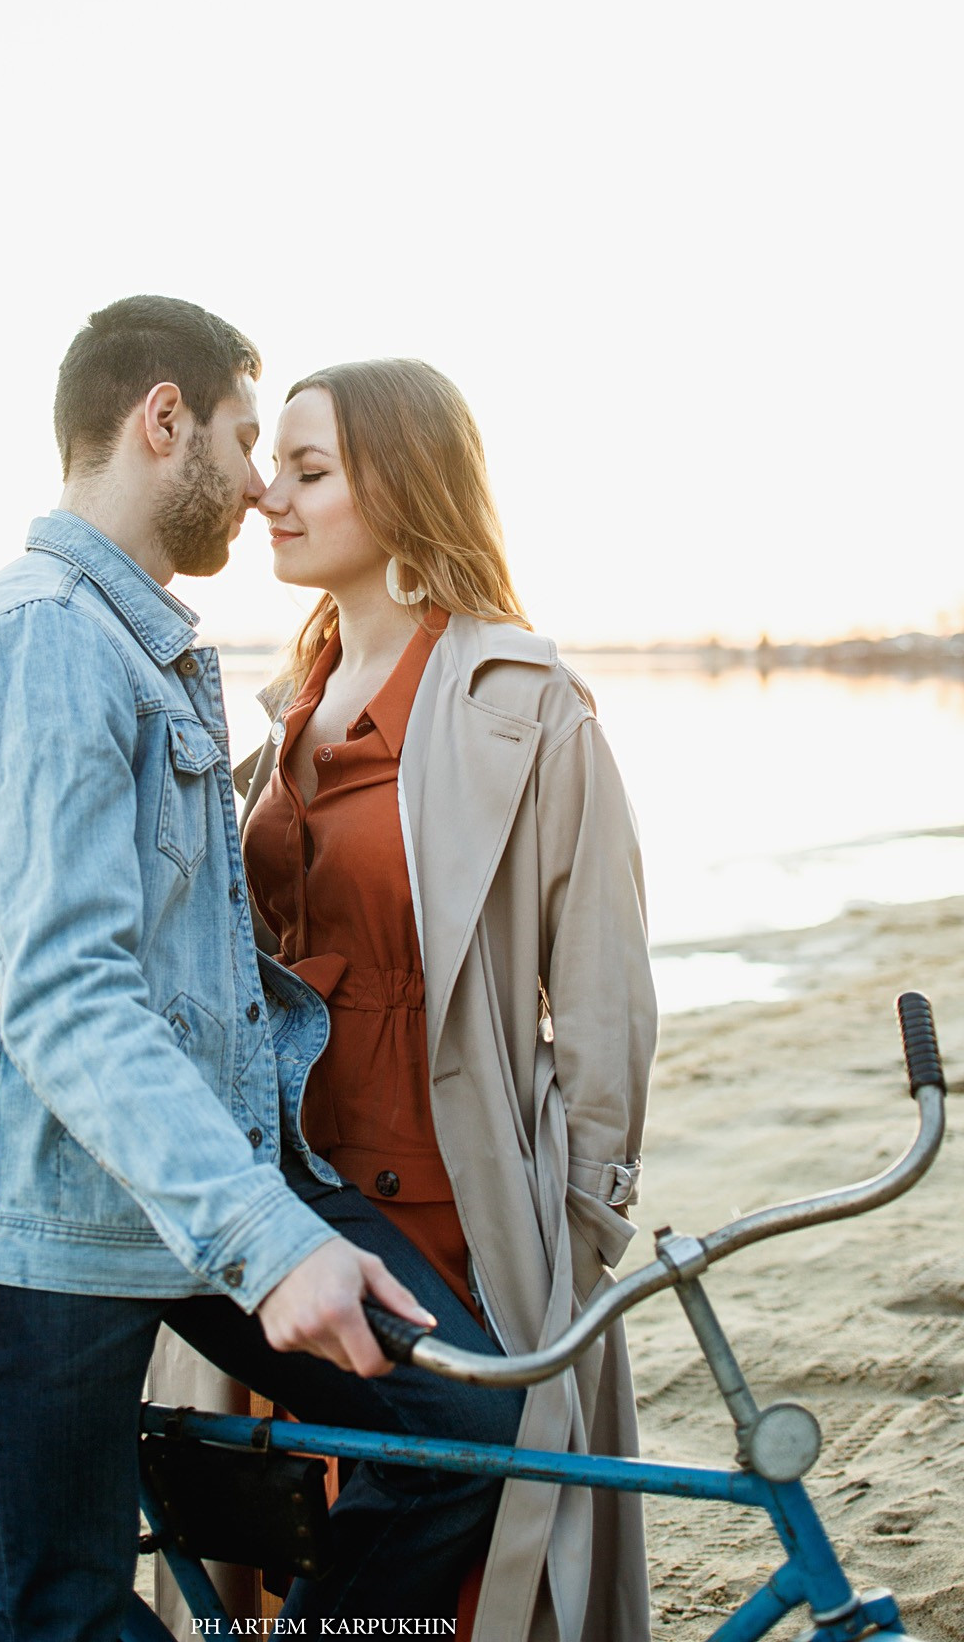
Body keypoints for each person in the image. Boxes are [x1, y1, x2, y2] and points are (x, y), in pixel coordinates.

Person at [0, 297, 523, 1641]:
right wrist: (274, 1245)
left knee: (458, 1417)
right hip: (29, 1235)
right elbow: (68, 998)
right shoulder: (40, 639)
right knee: (66, 1612)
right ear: (164, 422)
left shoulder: (142, 646)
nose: (264, 483)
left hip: (172, 1193)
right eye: (241, 435)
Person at [210, 358, 658, 1640]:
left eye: (308, 472)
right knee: (297, 1548)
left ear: (402, 486)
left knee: (469, 1564)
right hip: (291, 1209)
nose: (266, 499)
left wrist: (579, 1227)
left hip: (460, 1214)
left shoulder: (525, 708)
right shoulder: (281, 714)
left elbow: (604, 1002)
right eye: (272, 468)